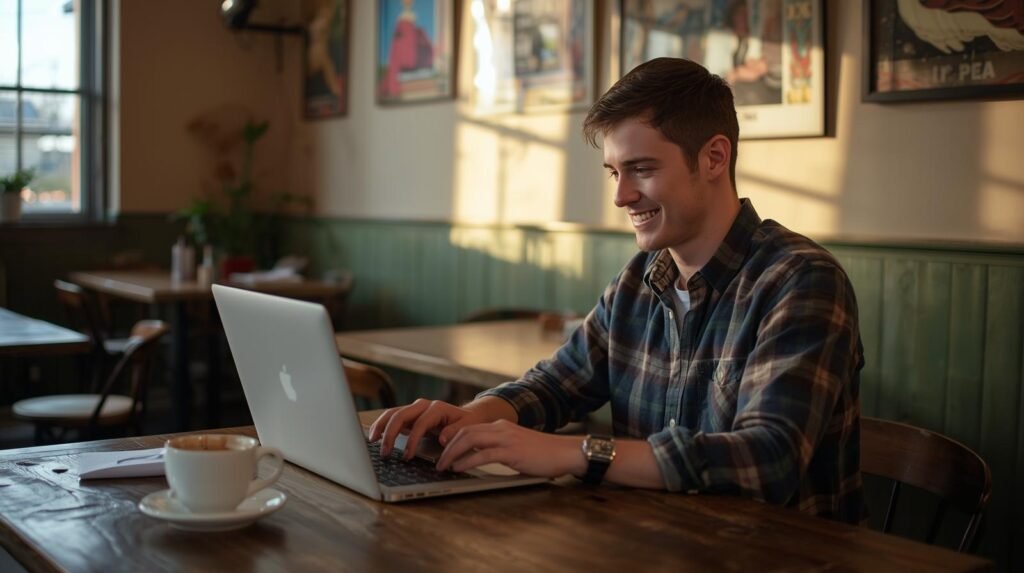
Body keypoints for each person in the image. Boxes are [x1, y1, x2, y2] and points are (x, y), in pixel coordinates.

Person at [370, 57, 865, 523]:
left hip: (780, 556)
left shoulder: (801, 279)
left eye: (642, 170)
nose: (621, 196)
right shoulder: (641, 278)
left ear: (714, 157)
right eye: (614, 172)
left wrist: (575, 452)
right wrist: (468, 418)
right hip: (653, 542)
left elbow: (766, 459)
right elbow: (556, 384)